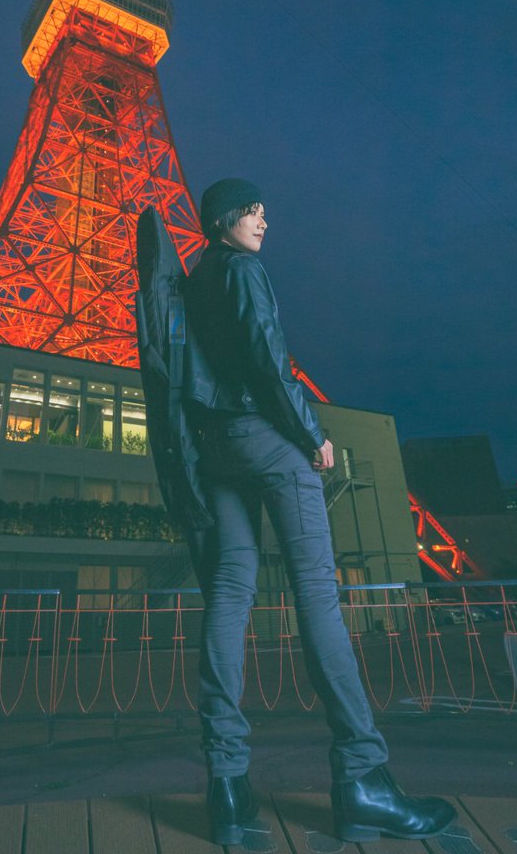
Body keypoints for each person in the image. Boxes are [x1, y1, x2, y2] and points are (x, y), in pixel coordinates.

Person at [183, 178, 457, 846]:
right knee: (316, 594)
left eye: (265, 213)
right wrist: (312, 434)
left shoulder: (196, 279)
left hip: (216, 446)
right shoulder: (242, 270)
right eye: (253, 212)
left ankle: (227, 783)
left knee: (229, 592)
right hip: (268, 439)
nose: (263, 222)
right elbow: (266, 356)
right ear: (223, 219)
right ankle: (363, 776)